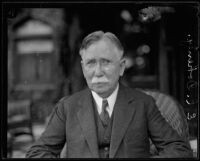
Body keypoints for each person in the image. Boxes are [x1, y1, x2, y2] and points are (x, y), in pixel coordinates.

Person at [26, 31, 193, 158]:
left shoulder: (144, 103)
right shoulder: (67, 107)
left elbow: (179, 149)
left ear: (121, 67)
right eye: (91, 63)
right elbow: (38, 152)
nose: (98, 72)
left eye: (106, 62)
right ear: (83, 68)